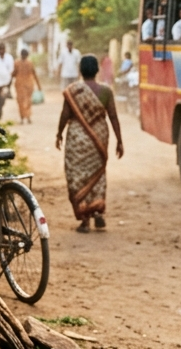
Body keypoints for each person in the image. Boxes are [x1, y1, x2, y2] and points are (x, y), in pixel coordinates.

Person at [55, 55, 124, 233]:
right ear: (97, 71)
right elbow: (114, 117)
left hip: (77, 139)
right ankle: (98, 212)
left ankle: (85, 220)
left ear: (80, 71)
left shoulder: (73, 90)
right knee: (98, 174)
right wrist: (119, 141)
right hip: (99, 137)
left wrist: (59, 134)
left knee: (77, 175)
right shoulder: (106, 92)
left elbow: (65, 114)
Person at [12, 48, 41, 125]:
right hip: (28, 84)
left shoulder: (17, 62)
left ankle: (23, 117)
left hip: (21, 84)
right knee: (28, 101)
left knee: (21, 101)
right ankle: (28, 117)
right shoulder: (29, 63)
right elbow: (34, 74)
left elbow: (14, 73)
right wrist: (39, 85)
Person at [0, 42, 14, 118]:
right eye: (0, 49)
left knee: (1, 99)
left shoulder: (9, 58)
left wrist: (7, 81)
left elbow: (11, 70)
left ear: (5, 50)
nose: (1, 51)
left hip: (5, 82)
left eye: (3, 49)